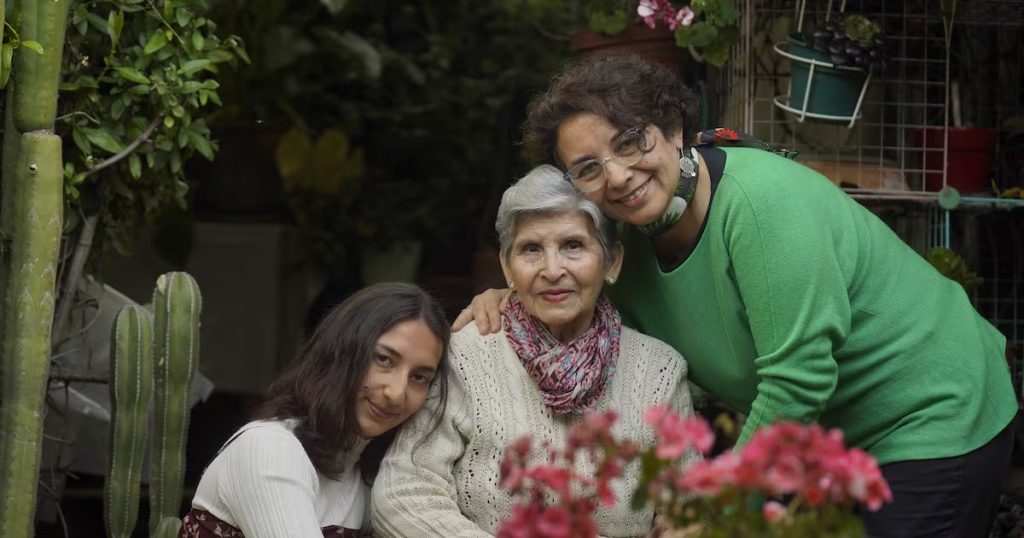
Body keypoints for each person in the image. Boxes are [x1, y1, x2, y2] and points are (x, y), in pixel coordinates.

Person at [453, 55, 1018, 537]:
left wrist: (717, 509)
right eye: (588, 169)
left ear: (674, 131)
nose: (619, 175)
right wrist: (510, 295)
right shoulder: (627, 246)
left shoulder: (760, 203)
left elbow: (799, 379)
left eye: (632, 142)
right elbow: (579, 301)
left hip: (930, 409)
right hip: (822, 442)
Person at [371, 165, 697, 537]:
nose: (552, 269)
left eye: (573, 245)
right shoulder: (463, 357)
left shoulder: (658, 371)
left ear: (612, 261)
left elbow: (687, 511)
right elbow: (402, 495)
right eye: (531, 250)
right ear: (507, 268)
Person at [181, 283, 451, 538]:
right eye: (383, 359)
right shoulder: (268, 447)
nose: (396, 393)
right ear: (342, 353)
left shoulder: (371, 474)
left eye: (419, 377)